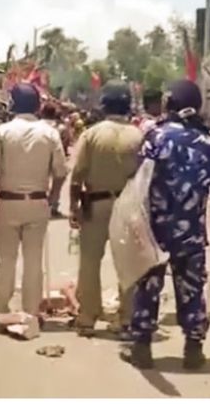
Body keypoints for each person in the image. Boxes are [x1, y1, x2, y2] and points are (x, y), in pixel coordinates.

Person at [121, 80, 210, 371]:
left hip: (155, 232)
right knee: (192, 291)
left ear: (170, 102)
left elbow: (138, 180)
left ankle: (142, 348)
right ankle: (193, 349)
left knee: (148, 288)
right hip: (192, 235)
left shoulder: (155, 137)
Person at [0, 84, 68, 319]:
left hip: (8, 202)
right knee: (34, 260)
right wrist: (52, 198)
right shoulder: (50, 133)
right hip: (38, 202)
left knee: (5, 260)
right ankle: (31, 310)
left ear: (13, 104)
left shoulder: (2, 132)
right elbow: (61, 172)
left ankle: (1, 308)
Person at [68, 81, 143, 339]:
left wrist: (72, 207)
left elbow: (77, 176)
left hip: (95, 204)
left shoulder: (91, 134)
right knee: (128, 263)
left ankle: (88, 317)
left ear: (103, 106)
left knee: (89, 262)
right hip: (129, 205)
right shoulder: (139, 135)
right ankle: (127, 318)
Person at [40, 102, 67, 218]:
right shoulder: (61, 128)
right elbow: (66, 142)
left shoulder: (37, 125)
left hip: (40, 157)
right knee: (59, 180)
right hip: (56, 157)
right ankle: (53, 203)